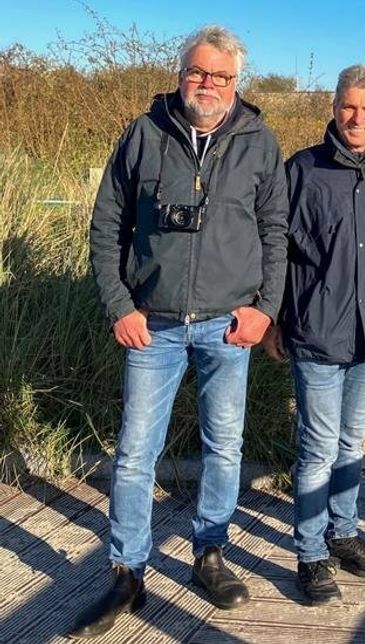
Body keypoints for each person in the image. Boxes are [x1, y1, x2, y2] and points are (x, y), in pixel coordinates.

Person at [74, 25, 288, 638]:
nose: (208, 85)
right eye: (198, 73)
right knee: (136, 452)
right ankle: (127, 572)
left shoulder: (259, 142)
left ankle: (209, 553)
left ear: (236, 82)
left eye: (220, 76)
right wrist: (120, 305)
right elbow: (106, 223)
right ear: (180, 74)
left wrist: (264, 308)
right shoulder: (144, 135)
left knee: (225, 446)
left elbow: (277, 233)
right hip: (154, 325)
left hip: (228, 327)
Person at [261, 64, 365, 606]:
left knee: (351, 443)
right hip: (315, 334)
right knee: (316, 446)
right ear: (334, 108)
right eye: (349, 107)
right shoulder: (301, 170)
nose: (357, 118)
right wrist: (273, 317)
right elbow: (275, 251)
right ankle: (310, 553)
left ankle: (344, 533)